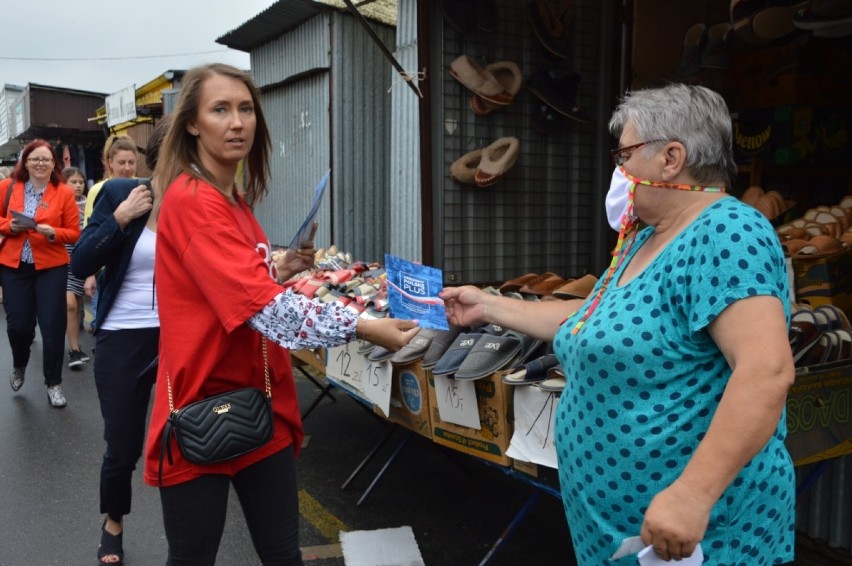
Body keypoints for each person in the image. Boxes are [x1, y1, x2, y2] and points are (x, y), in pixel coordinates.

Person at [440, 84, 796, 565]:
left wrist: (692, 494)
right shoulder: (643, 237)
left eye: (624, 153)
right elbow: (595, 316)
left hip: (704, 534)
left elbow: (766, 371)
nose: (619, 169)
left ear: (671, 158)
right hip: (619, 528)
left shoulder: (727, 230)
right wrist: (487, 306)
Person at [143, 63, 419, 565]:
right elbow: (267, 311)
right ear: (191, 123)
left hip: (259, 399)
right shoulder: (193, 199)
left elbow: (236, 284)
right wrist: (366, 324)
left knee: (282, 554)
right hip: (201, 404)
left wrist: (280, 266)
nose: (237, 122)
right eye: (220, 109)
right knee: (192, 557)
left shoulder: (233, 198)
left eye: (245, 109)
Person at [71, 117, 171, 566]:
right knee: (123, 447)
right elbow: (83, 259)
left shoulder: (199, 200)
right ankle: (113, 522)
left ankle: (188, 531)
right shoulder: (124, 193)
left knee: (187, 439)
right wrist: (121, 216)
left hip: (175, 336)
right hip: (121, 335)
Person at [0, 140, 82, 407]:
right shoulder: (8, 186)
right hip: (14, 266)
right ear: (25, 161)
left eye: (46, 159)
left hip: (51, 267)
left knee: (52, 325)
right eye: (34, 159)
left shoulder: (64, 193)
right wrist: (9, 226)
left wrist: (53, 233)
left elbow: (74, 232)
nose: (40, 163)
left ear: (54, 164)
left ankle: (54, 383)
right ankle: (20, 364)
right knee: (19, 326)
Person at [83, 135, 139, 334]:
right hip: (106, 269)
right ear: (110, 163)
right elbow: (90, 233)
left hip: (135, 268)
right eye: (121, 162)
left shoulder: (142, 188)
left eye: (131, 162)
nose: (126, 168)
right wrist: (90, 274)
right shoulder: (100, 189)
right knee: (103, 326)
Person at [62, 166, 90, 368]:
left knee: (77, 305)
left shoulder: (88, 205)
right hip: (61, 260)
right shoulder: (59, 204)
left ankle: (76, 344)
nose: (78, 185)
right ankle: (73, 350)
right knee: (70, 304)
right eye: (74, 182)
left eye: (81, 182)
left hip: (81, 260)